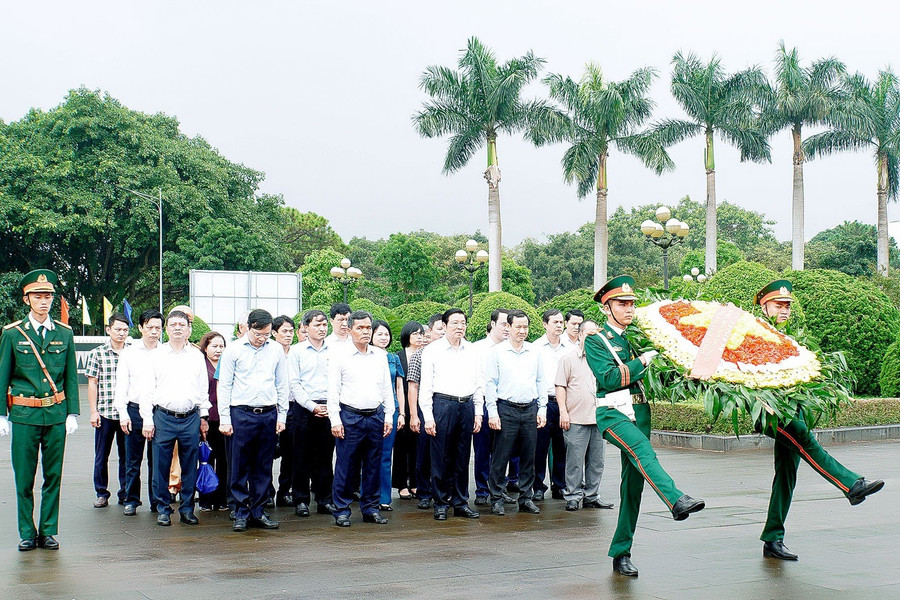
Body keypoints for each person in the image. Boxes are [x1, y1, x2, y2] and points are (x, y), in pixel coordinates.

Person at [754, 280, 884, 561]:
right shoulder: (753, 333)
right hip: (771, 413)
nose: (785, 310)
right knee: (808, 444)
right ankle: (851, 485)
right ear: (764, 306)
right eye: (779, 305)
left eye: (788, 306)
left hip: (793, 409)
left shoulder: (790, 336)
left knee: (786, 476)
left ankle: (773, 539)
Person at [586, 276, 705, 577]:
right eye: (621, 304)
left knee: (633, 486)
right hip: (613, 413)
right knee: (642, 449)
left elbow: (661, 378)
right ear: (606, 307)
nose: (628, 309)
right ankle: (676, 500)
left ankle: (621, 552)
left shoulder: (638, 337)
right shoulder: (596, 341)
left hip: (640, 412)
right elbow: (610, 378)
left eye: (631, 304)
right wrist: (643, 361)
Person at [0, 270, 79, 551]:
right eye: (37, 296)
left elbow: (70, 375)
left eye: (47, 296)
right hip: (23, 415)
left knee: (53, 475)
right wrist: (1, 414)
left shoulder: (64, 332)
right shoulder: (12, 334)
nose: (44, 301)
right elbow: (3, 375)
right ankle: (26, 531)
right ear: (26, 299)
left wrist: (72, 412)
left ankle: (47, 530)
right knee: (24, 477)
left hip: (55, 414)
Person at [218, 309, 289, 532]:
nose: (262, 338)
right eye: (258, 334)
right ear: (248, 327)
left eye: (267, 334)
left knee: (263, 466)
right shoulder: (234, 350)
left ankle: (258, 511)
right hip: (241, 413)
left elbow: (282, 384)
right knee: (239, 465)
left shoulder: (276, 350)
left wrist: (282, 415)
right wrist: (225, 418)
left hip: (268, 414)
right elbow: (225, 385)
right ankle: (240, 512)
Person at [140, 310, 210, 527]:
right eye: (173, 324)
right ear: (166, 329)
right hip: (163, 416)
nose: (178, 328)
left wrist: (203, 416)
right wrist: (147, 420)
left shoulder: (197, 356)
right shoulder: (156, 356)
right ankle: (162, 508)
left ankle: (188, 509)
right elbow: (146, 391)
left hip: (190, 417)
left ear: (189, 329)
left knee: (190, 465)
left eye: (182, 324)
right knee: (160, 465)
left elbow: (202, 390)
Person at [327, 311, 394, 527]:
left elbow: (386, 388)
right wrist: (335, 420)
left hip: (375, 415)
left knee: (373, 465)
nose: (365, 332)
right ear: (349, 329)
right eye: (360, 328)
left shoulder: (379, 355)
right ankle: (342, 510)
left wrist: (389, 416)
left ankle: (370, 508)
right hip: (350, 416)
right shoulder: (339, 355)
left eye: (368, 328)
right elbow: (333, 390)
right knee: (346, 466)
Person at [419, 309, 482, 520]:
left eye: (463, 323)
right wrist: (428, 416)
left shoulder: (472, 350)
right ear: (444, 326)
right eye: (454, 323)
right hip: (443, 404)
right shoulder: (432, 351)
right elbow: (425, 386)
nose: (459, 327)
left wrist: (479, 412)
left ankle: (461, 502)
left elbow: (478, 383)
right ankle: (440, 502)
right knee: (441, 456)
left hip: (467, 405)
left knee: (463, 457)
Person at [485, 310, 545, 516]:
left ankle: (526, 498)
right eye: (518, 326)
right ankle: (496, 498)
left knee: (530, 456)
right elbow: (490, 384)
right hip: (506, 409)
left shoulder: (534, 351)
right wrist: (492, 412)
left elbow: (541, 381)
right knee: (501, 457)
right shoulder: (497, 352)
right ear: (508, 327)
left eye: (525, 327)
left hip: (530, 409)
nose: (522, 331)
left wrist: (542, 409)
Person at [555, 319, 612, 511]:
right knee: (575, 461)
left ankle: (592, 496)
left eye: (595, 334)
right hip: (576, 418)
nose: (591, 338)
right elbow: (560, 386)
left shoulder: (604, 359)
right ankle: (572, 496)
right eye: (587, 334)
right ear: (579, 335)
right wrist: (563, 411)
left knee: (597, 461)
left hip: (599, 418)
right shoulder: (568, 358)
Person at [288, 309, 337, 517]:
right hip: (304, 409)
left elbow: (337, 381)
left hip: (329, 407)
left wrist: (329, 406)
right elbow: (294, 384)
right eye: (317, 325)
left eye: (324, 324)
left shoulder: (334, 351)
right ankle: (301, 500)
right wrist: (311, 406)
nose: (322, 328)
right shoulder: (296, 352)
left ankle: (324, 499)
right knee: (301, 456)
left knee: (325, 457)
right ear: (305, 327)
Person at [115, 308, 164, 516]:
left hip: (159, 411)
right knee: (132, 459)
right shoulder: (129, 353)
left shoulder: (166, 353)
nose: (154, 332)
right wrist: (123, 414)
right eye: (150, 327)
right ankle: (132, 499)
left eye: (158, 328)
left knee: (157, 459)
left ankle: (157, 500)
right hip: (134, 410)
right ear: (141, 327)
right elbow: (121, 385)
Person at [471, 309, 517, 506]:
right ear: (492, 324)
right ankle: (482, 489)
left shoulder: (512, 348)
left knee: (503, 449)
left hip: (505, 404)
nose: (507, 329)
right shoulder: (477, 349)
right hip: (482, 401)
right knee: (482, 449)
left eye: (509, 325)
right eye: (503, 324)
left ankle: (498, 488)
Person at [86, 312, 130, 509]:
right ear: (108, 330)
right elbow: (92, 383)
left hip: (127, 414)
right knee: (101, 456)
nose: (121, 333)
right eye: (117, 329)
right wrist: (93, 411)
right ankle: (101, 492)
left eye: (125, 330)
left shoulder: (132, 352)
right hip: (105, 413)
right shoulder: (98, 353)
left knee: (127, 456)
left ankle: (125, 492)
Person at [532, 308, 572, 501]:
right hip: (543, 402)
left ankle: (560, 485)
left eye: (560, 322)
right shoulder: (535, 348)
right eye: (554, 322)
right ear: (545, 324)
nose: (558, 326)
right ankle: (538, 486)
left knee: (561, 446)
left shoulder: (569, 348)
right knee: (539, 447)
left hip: (563, 404)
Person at [408, 313, 445, 509]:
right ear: (429, 331)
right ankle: (424, 492)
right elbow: (413, 386)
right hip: (425, 408)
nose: (444, 332)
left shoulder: (453, 353)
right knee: (424, 452)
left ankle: (444, 491)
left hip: (447, 407)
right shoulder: (419, 355)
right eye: (440, 329)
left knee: (446, 452)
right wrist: (414, 415)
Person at [370, 320, 405, 511]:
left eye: (386, 334)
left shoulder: (393, 358)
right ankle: (367, 493)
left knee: (385, 455)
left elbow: (399, 387)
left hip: (391, 410)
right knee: (367, 454)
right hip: (370, 410)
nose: (383, 337)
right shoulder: (365, 356)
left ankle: (384, 497)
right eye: (379, 334)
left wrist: (402, 413)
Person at [392, 321, 425, 500]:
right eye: (415, 334)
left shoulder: (426, 355)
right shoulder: (398, 356)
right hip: (402, 404)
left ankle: (415, 482)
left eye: (421, 334)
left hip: (422, 404)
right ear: (407, 336)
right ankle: (401, 484)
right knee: (401, 446)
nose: (419, 337)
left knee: (417, 446)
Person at [197, 332, 229, 512]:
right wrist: (203, 418)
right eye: (214, 346)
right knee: (206, 459)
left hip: (224, 419)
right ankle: (205, 499)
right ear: (205, 347)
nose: (218, 350)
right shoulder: (201, 365)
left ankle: (222, 499)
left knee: (224, 461)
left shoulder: (227, 364)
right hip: (207, 419)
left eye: (221, 346)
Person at [272, 315, 296, 508]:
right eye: (284, 331)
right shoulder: (269, 353)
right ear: (274, 333)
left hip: (293, 409)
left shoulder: (297, 353)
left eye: (291, 331)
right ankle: (265, 492)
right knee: (267, 453)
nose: (288, 335)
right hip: (271, 409)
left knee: (290, 453)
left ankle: (284, 491)